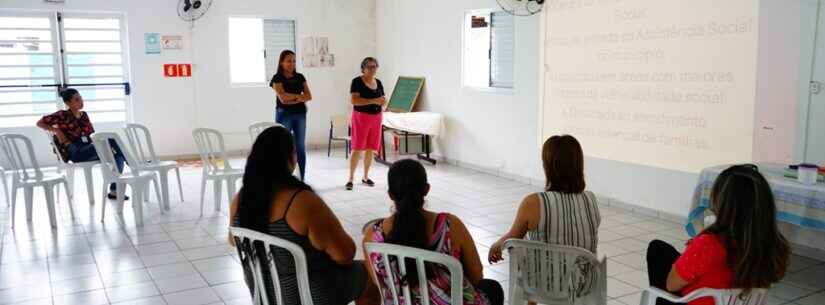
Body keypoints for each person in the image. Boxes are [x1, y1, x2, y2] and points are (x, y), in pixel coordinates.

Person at [228, 126, 377, 305]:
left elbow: (232, 240)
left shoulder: (241, 199)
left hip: (264, 294)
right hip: (309, 296)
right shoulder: (302, 202)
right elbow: (345, 254)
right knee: (367, 275)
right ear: (290, 158)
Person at [363, 159, 504, 305]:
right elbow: (476, 276)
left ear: (390, 195)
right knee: (492, 288)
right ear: (426, 189)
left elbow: (377, 283)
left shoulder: (371, 237)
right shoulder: (451, 226)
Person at [645, 164, 790, 305]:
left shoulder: (709, 244)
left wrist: (693, 249)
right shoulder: (773, 244)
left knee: (656, 251)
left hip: (698, 300)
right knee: (660, 249)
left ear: (722, 202)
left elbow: (671, 285)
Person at [488, 135, 600, 262]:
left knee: (522, 240)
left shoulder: (533, 202)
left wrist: (496, 246)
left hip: (544, 280)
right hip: (586, 280)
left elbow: (511, 239)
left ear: (548, 166)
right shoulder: (591, 199)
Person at [37, 88, 128, 200]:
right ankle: (132, 163)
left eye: (81, 98)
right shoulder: (62, 115)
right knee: (111, 140)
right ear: (68, 103)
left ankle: (114, 190)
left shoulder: (84, 115)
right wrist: (56, 131)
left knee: (118, 156)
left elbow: (92, 135)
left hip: (89, 149)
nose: (81, 101)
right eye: (77, 99)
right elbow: (40, 123)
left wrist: (100, 143)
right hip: (76, 153)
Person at [271, 50, 312, 181]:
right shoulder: (277, 78)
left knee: (300, 147)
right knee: (283, 146)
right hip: (284, 115)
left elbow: (309, 96)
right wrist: (299, 97)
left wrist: (292, 97)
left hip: (300, 115)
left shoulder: (300, 77)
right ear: (281, 62)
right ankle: (282, 177)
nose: (292, 63)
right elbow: (282, 98)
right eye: (288, 61)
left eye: (294, 61)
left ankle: (302, 178)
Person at [347, 57, 386, 190]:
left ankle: (365, 176)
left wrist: (382, 102)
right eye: (369, 66)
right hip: (361, 117)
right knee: (357, 147)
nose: (372, 69)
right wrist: (374, 101)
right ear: (363, 68)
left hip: (376, 117)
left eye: (374, 66)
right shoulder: (357, 81)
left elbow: (382, 99)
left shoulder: (379, 82)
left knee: (370, 147)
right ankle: (351, 178)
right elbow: (355, 101)